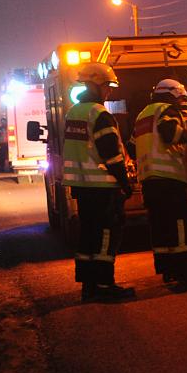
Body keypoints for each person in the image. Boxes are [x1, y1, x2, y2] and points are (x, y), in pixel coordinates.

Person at [131, 79, 187, 286]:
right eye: (180, 99)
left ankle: (167, 270)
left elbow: (131, 145)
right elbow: (170, 133)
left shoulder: (143, 115)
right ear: (173, 94)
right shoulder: (166, 109)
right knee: (180, 225)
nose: (180, 104)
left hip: (148, 180)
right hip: (169, 178)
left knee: (160, 226)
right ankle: (186, 272)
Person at [61, 63, 135, 301]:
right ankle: (104, 285)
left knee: (88, 236)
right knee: (105, 235)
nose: (109, 91)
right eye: (106, 86)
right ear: (94, 84)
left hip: (82, 187)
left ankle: (89, 286)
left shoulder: (73, 112)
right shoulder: (99, 114)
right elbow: (111, 154)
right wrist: (125, 182)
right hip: (103, 187)